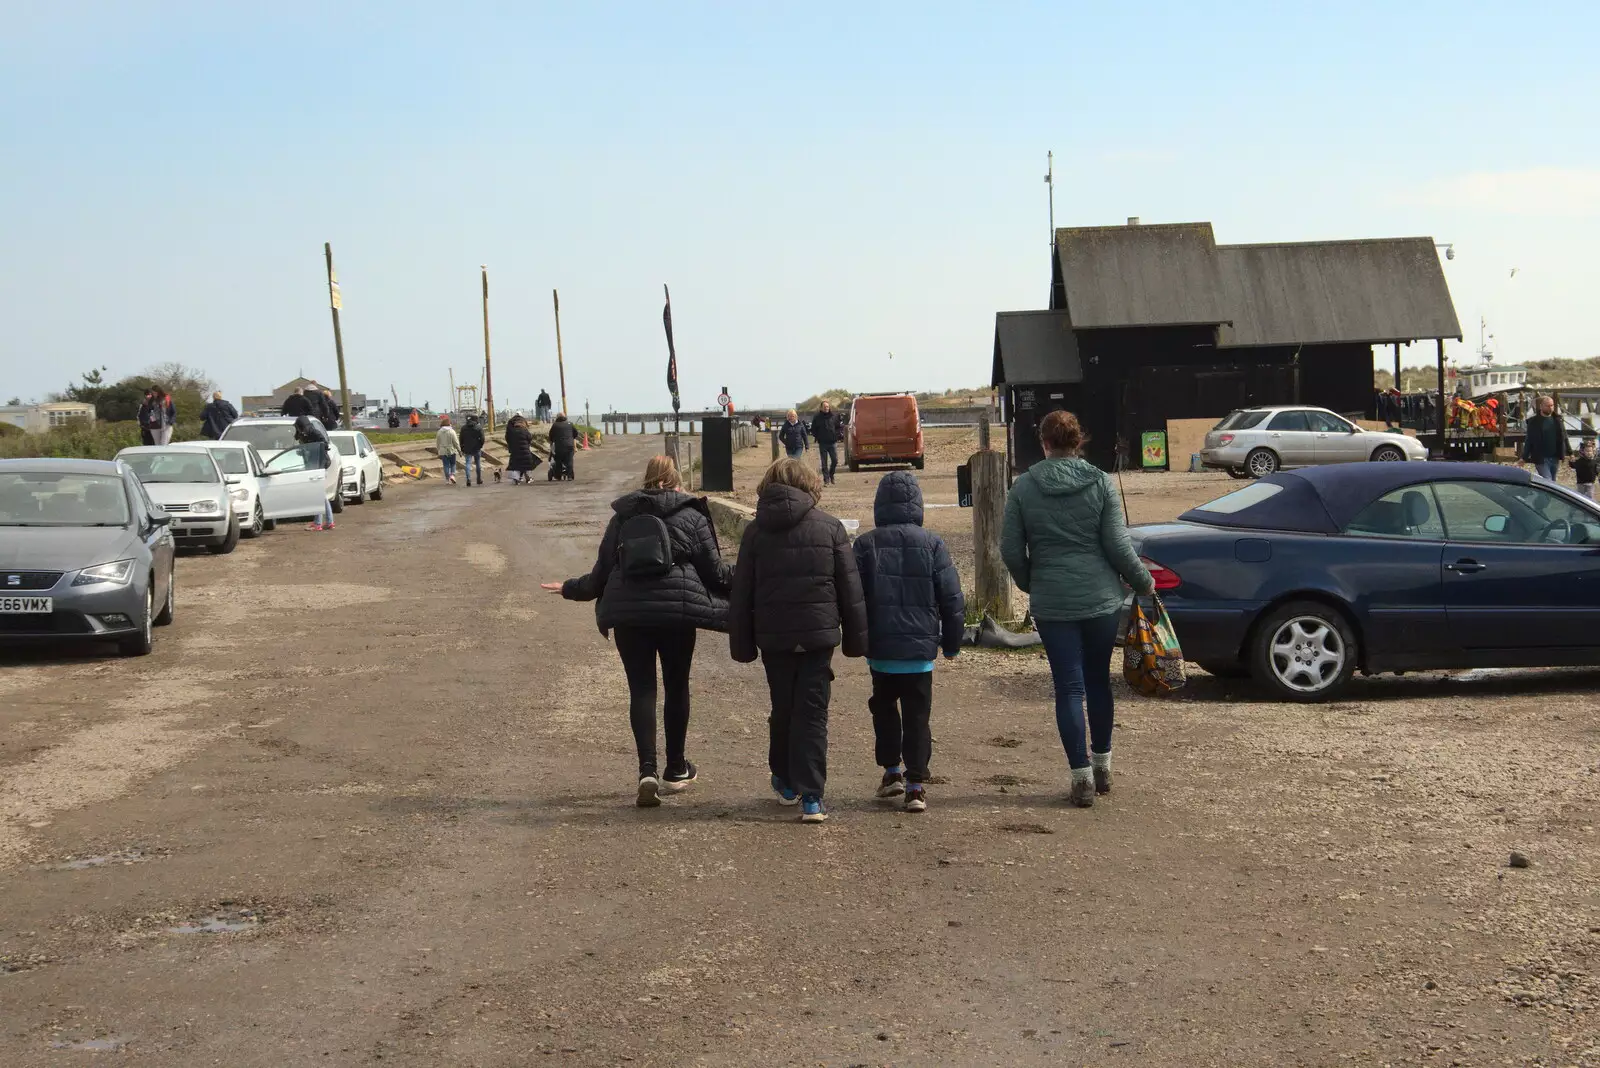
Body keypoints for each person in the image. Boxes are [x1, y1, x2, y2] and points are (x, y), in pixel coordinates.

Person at [542, 455, 733, 806]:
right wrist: (755, 579)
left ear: (645, 480)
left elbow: (600, 575)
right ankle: (676, 769)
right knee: (676, 686)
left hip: (629, 617)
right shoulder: (691, 514)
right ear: (676, 482)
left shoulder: (623, 516)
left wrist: (569, 587)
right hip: (677, 614)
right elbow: (716, 574)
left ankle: (647, 770)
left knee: (642, 690)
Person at [1000, 410, 1153, 808]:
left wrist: (1031, 582)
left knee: (1068, 687)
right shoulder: (1101, 482)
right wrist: (1144, 583)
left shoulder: (1024, 488)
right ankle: (1103, 767)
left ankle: (1080, 777)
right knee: (1098, 681)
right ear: (1078, 441)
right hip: (1100, 598)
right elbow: (1119, 547)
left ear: (1044, 443)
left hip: (1053, 601)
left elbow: (1011, 550)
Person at [729, 458, 868, 824]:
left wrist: (741, 644)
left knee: (783, 708)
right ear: (810, 485)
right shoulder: (830, 528)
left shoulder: (756, 532)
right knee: (813, 713)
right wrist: (856, 639)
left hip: (774, 638)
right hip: (817, 636)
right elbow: (850, 590)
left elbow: (742, 592)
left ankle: (786, 780)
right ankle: (812, 796)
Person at [852, 471, 965, 813]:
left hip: (882, 650)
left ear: (880, 505)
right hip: (919, 652)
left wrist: (857, 641)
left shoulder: (865, 544)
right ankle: (916, 784)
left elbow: (853, 599)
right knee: (918, 715)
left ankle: (891, 771)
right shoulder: (932, 544)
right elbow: (952, 599)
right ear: (917, 504)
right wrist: (952, 644)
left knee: (884, 709)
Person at [294, 413, 335, 531]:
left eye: (298, 427)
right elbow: (300, 443)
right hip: (312, 465)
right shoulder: (303, 434)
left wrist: (314, 448)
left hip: (320, 465)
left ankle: (318, 523)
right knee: (320, 494)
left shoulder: (315, 433)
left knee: (318, 494)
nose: (298, 430)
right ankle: (328, 521)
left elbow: (325, 444)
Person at [1523, 395, 1570, 482]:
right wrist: (1524, 457)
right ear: (1541, 406)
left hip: (1555, 457)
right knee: (1547, 480)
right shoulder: (1534, 422)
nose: (1550, 408)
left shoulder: (1557, 420)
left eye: (1552, 405)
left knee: (1553, 482)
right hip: (1541, 458)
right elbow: (1529, 440)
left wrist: (1570, 452)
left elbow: (1564, 436)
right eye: (1548, 406)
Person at [504, 413, 542, 484]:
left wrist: (511, 445)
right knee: (526, 463)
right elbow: (529, 438)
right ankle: (528, 477)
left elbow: (507, 438)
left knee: (516, 464)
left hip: (515, 450)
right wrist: (527, 444)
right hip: (525, 450)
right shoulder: (524, 430)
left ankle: (517, 478)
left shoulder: (512, 430)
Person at [810, 401, 842, 485]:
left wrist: (836, 436)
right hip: (823, 443)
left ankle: (831, 475)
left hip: (832, 442)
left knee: (835, 460)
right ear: (821, 408)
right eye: (824, 407)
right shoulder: (817, 417)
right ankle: (826, 480)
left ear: (829, 407)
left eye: (827, 406)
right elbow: (813, 429)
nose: (826, 408)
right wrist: (818, 437)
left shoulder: (834, 416)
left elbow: (839, 427)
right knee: (824, 463)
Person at [549, 412, 578, 481]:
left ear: (557, 417)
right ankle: (570, 476)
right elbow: (575, 434)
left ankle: (558, 476)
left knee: (558, 460)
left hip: (559, 446)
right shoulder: (570, 424)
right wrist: (574, 446)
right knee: (569, 461)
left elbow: (551, 437)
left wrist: (551, 447)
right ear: (565, 417)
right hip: (569, 446)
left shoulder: (555, 425)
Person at [459, 414, 486, 487]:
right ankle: (479, 479)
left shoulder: (463, 428)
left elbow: (461, 439)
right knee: (478, 463)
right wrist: (480, 445)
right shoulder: (478, 427)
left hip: (467, 448)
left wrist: (462, 447)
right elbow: (482, 438)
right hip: (476, 448)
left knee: (468, 463)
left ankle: (468, 479)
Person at [435, 414, 461, 485]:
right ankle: (452, 475)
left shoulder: (439, 432)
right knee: (453, 464)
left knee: (446, 465)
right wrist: (459, 450)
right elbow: (456, 442)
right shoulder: (452, 431)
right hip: (452, 450)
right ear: (449, 424)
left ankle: (447, 480)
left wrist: (438, 451)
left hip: (443, 451)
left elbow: (438, 442)